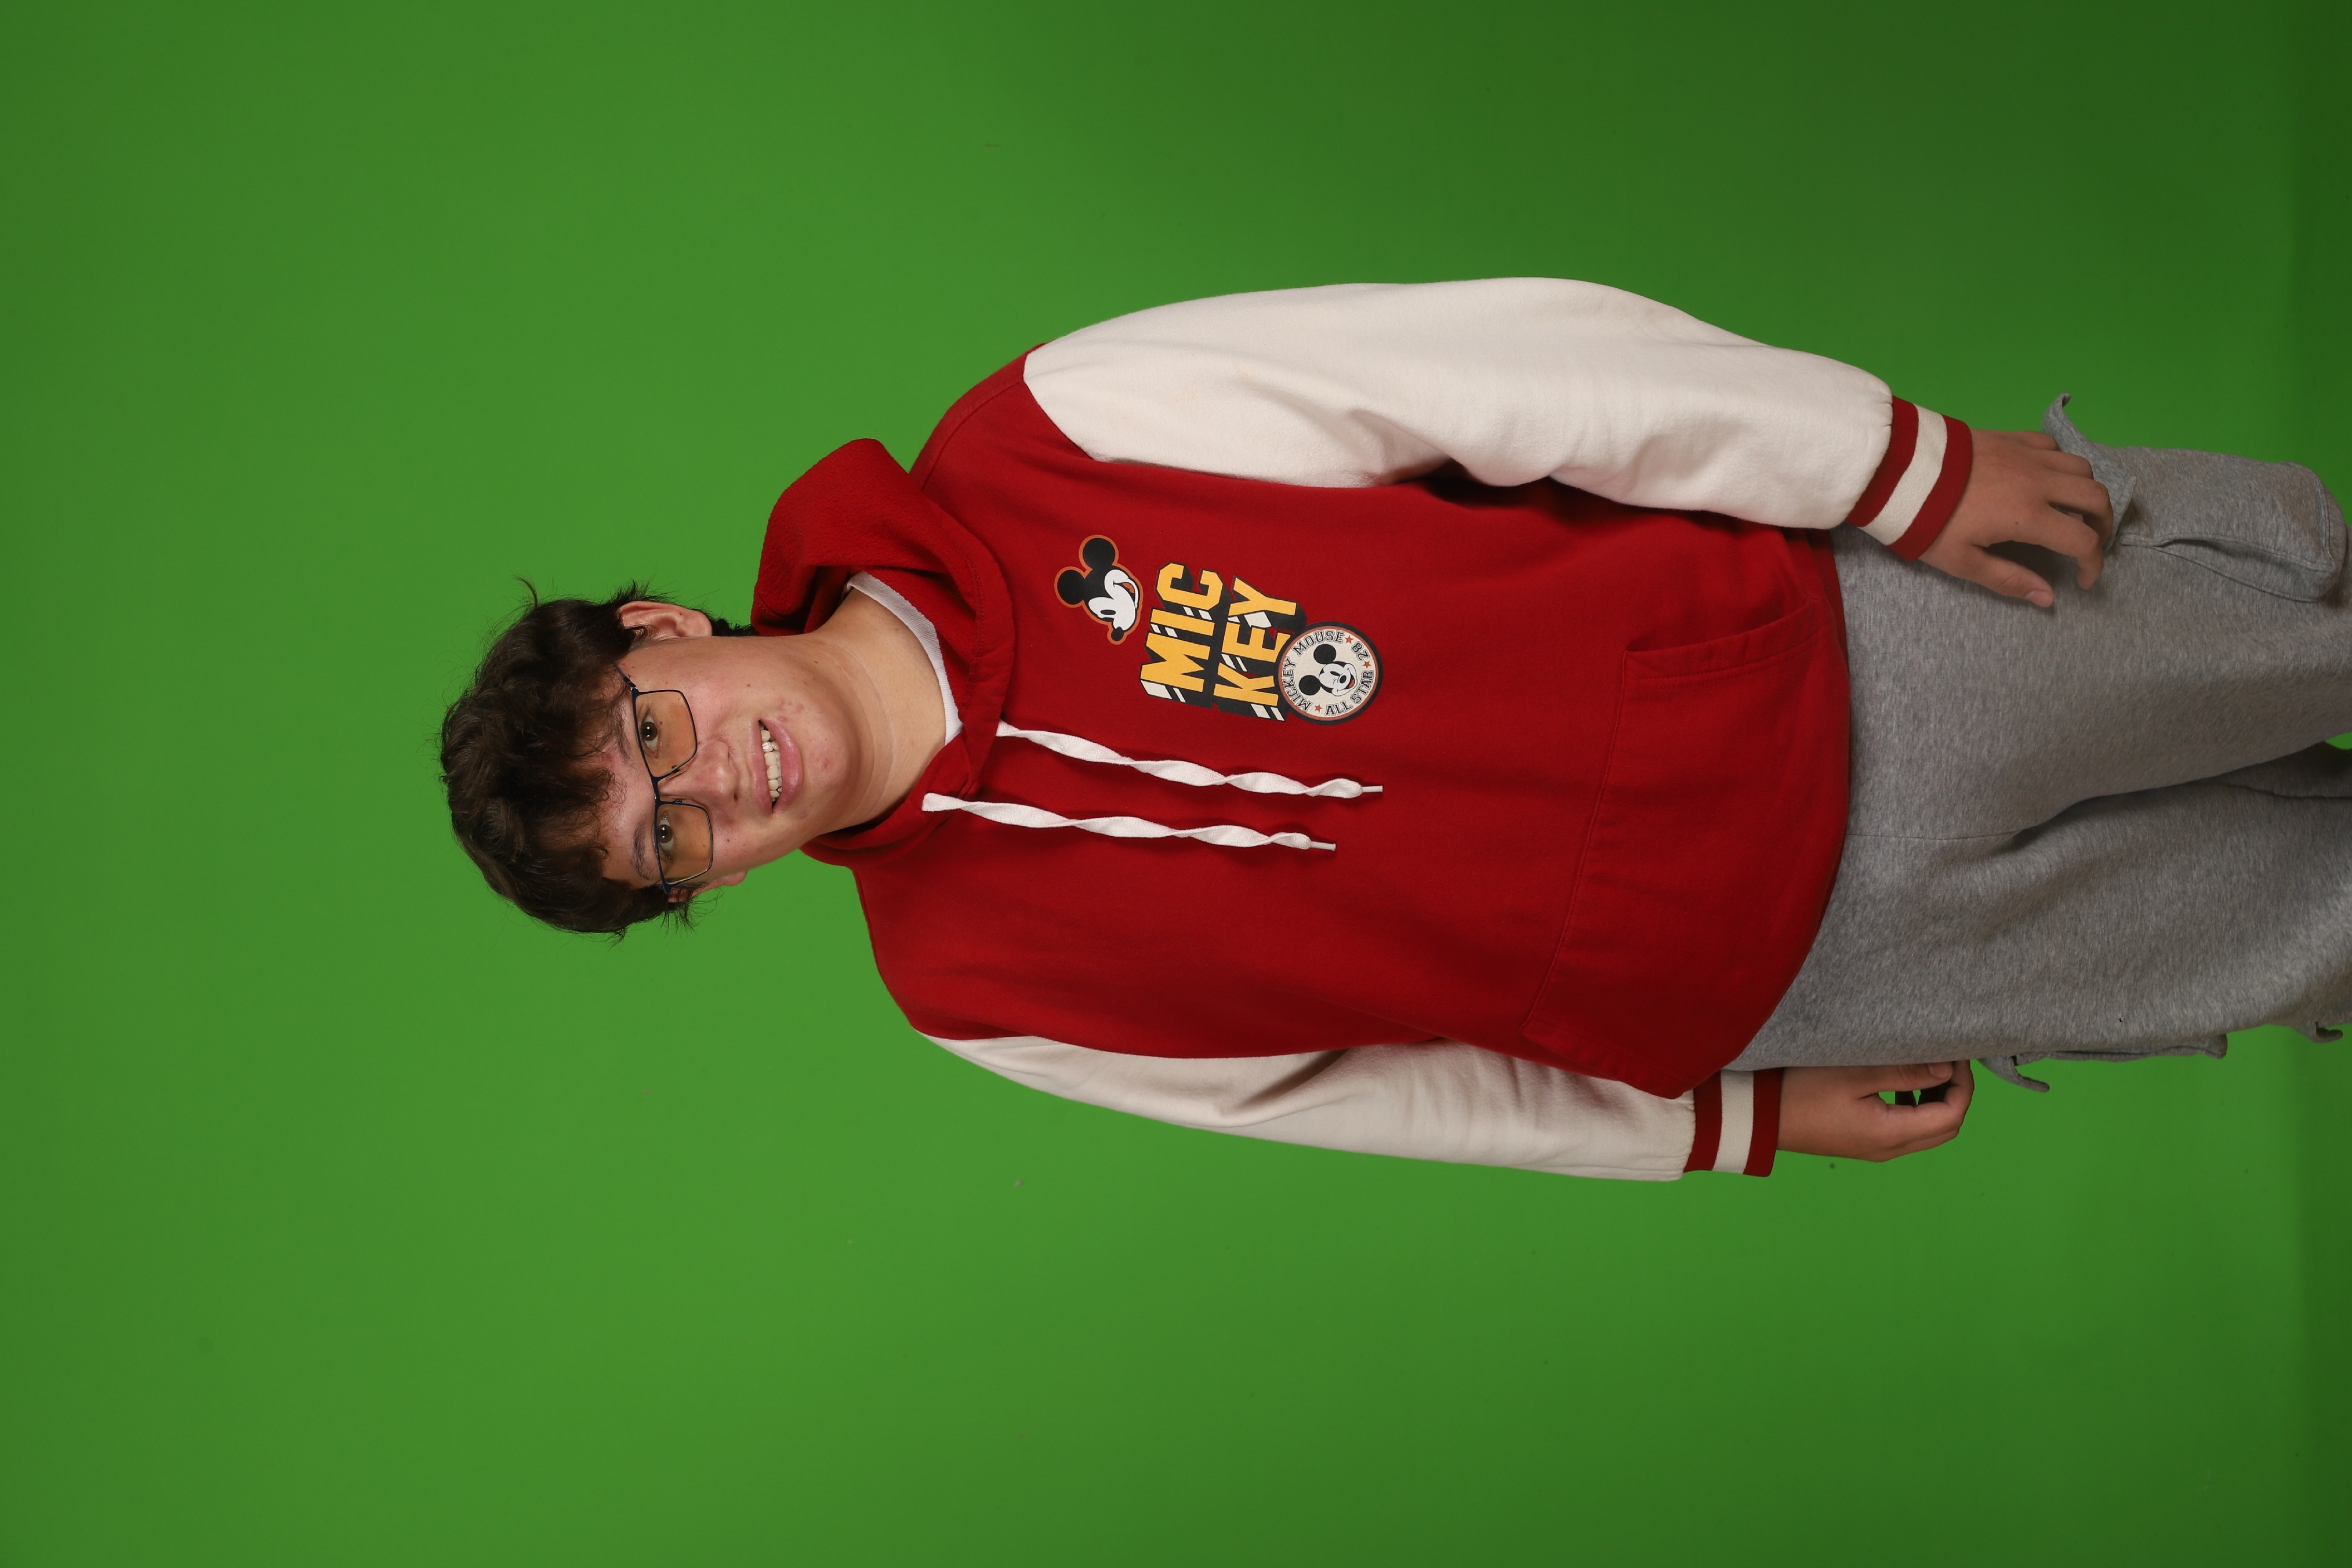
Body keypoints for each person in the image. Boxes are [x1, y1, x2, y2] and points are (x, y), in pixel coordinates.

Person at [440, 279, 2352, 1181]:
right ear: (703, 887)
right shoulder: (973, 990)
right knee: (2308, 932)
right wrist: (1718, 1121)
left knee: (2313, 633)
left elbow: (1506, 371)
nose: (715, 788)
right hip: (1795, 972)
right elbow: (1372, 1095)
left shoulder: (1045, 437)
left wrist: (1889, 463)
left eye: (657, 736)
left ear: (667, 632)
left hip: (1830, 646)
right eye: (669, 842)